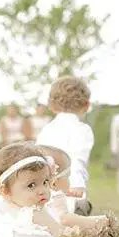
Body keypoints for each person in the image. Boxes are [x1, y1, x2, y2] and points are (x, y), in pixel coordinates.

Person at [35, 76, 94, 214]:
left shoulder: (47, 128)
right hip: (70, 190)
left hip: (44, 189)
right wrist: (78, 185)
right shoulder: (82, 129)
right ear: (86, 105)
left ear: (52, 106)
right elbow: (78, 158)